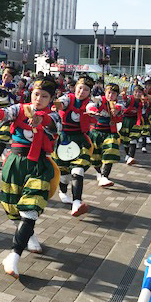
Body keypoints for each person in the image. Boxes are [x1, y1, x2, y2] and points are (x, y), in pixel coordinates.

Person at [0, 78, 61, 278]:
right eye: (36, 94)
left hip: (39, 166)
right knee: (12, 208)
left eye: (45, 96)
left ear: (51, 98)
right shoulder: (20, 108)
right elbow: (5, 113)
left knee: (30, 209)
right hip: (15, 163)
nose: (39, 99)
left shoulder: (54, 115)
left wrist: (40, 119)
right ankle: (30, 236)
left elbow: (53, 125)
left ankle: (14, 256)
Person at [52, 76, 95, 217]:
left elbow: (91, 107)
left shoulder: (89, 103)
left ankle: (77, 202)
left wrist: (94, 111)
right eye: (80, 88)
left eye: (86, 89)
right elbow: (61, 104)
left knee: (78, 170)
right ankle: (63, 192)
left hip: (80, 140)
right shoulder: (68, 98)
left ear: (89, 92)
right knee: (63, 173)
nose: (82, 91)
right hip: (63, 139)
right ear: (75, 87)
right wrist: (56, 105)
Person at [86, 83, 124, 188]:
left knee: (110, 150)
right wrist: (93, 111)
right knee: (95, 157)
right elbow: (90, 105)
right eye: (109, 93)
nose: (110, 95)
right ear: (105, 93)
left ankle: (104, 176)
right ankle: (99, 173)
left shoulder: (118, 104)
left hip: (110, 133)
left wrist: (116, 109)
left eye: (114, 93)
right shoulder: (99, 100)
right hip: (96, 132)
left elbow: (121, 107)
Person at [119, 85, 145, 166]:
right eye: (136, 92)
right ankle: (127, 155)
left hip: (135, 121)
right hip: (126, 121)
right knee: (126, 140)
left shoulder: (143, 101)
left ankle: (131, 157)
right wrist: (124, 96)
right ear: (133, 92)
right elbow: (126, 102)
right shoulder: (130, 99)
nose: (137, 94)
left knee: (133, 139)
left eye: (139, 92)